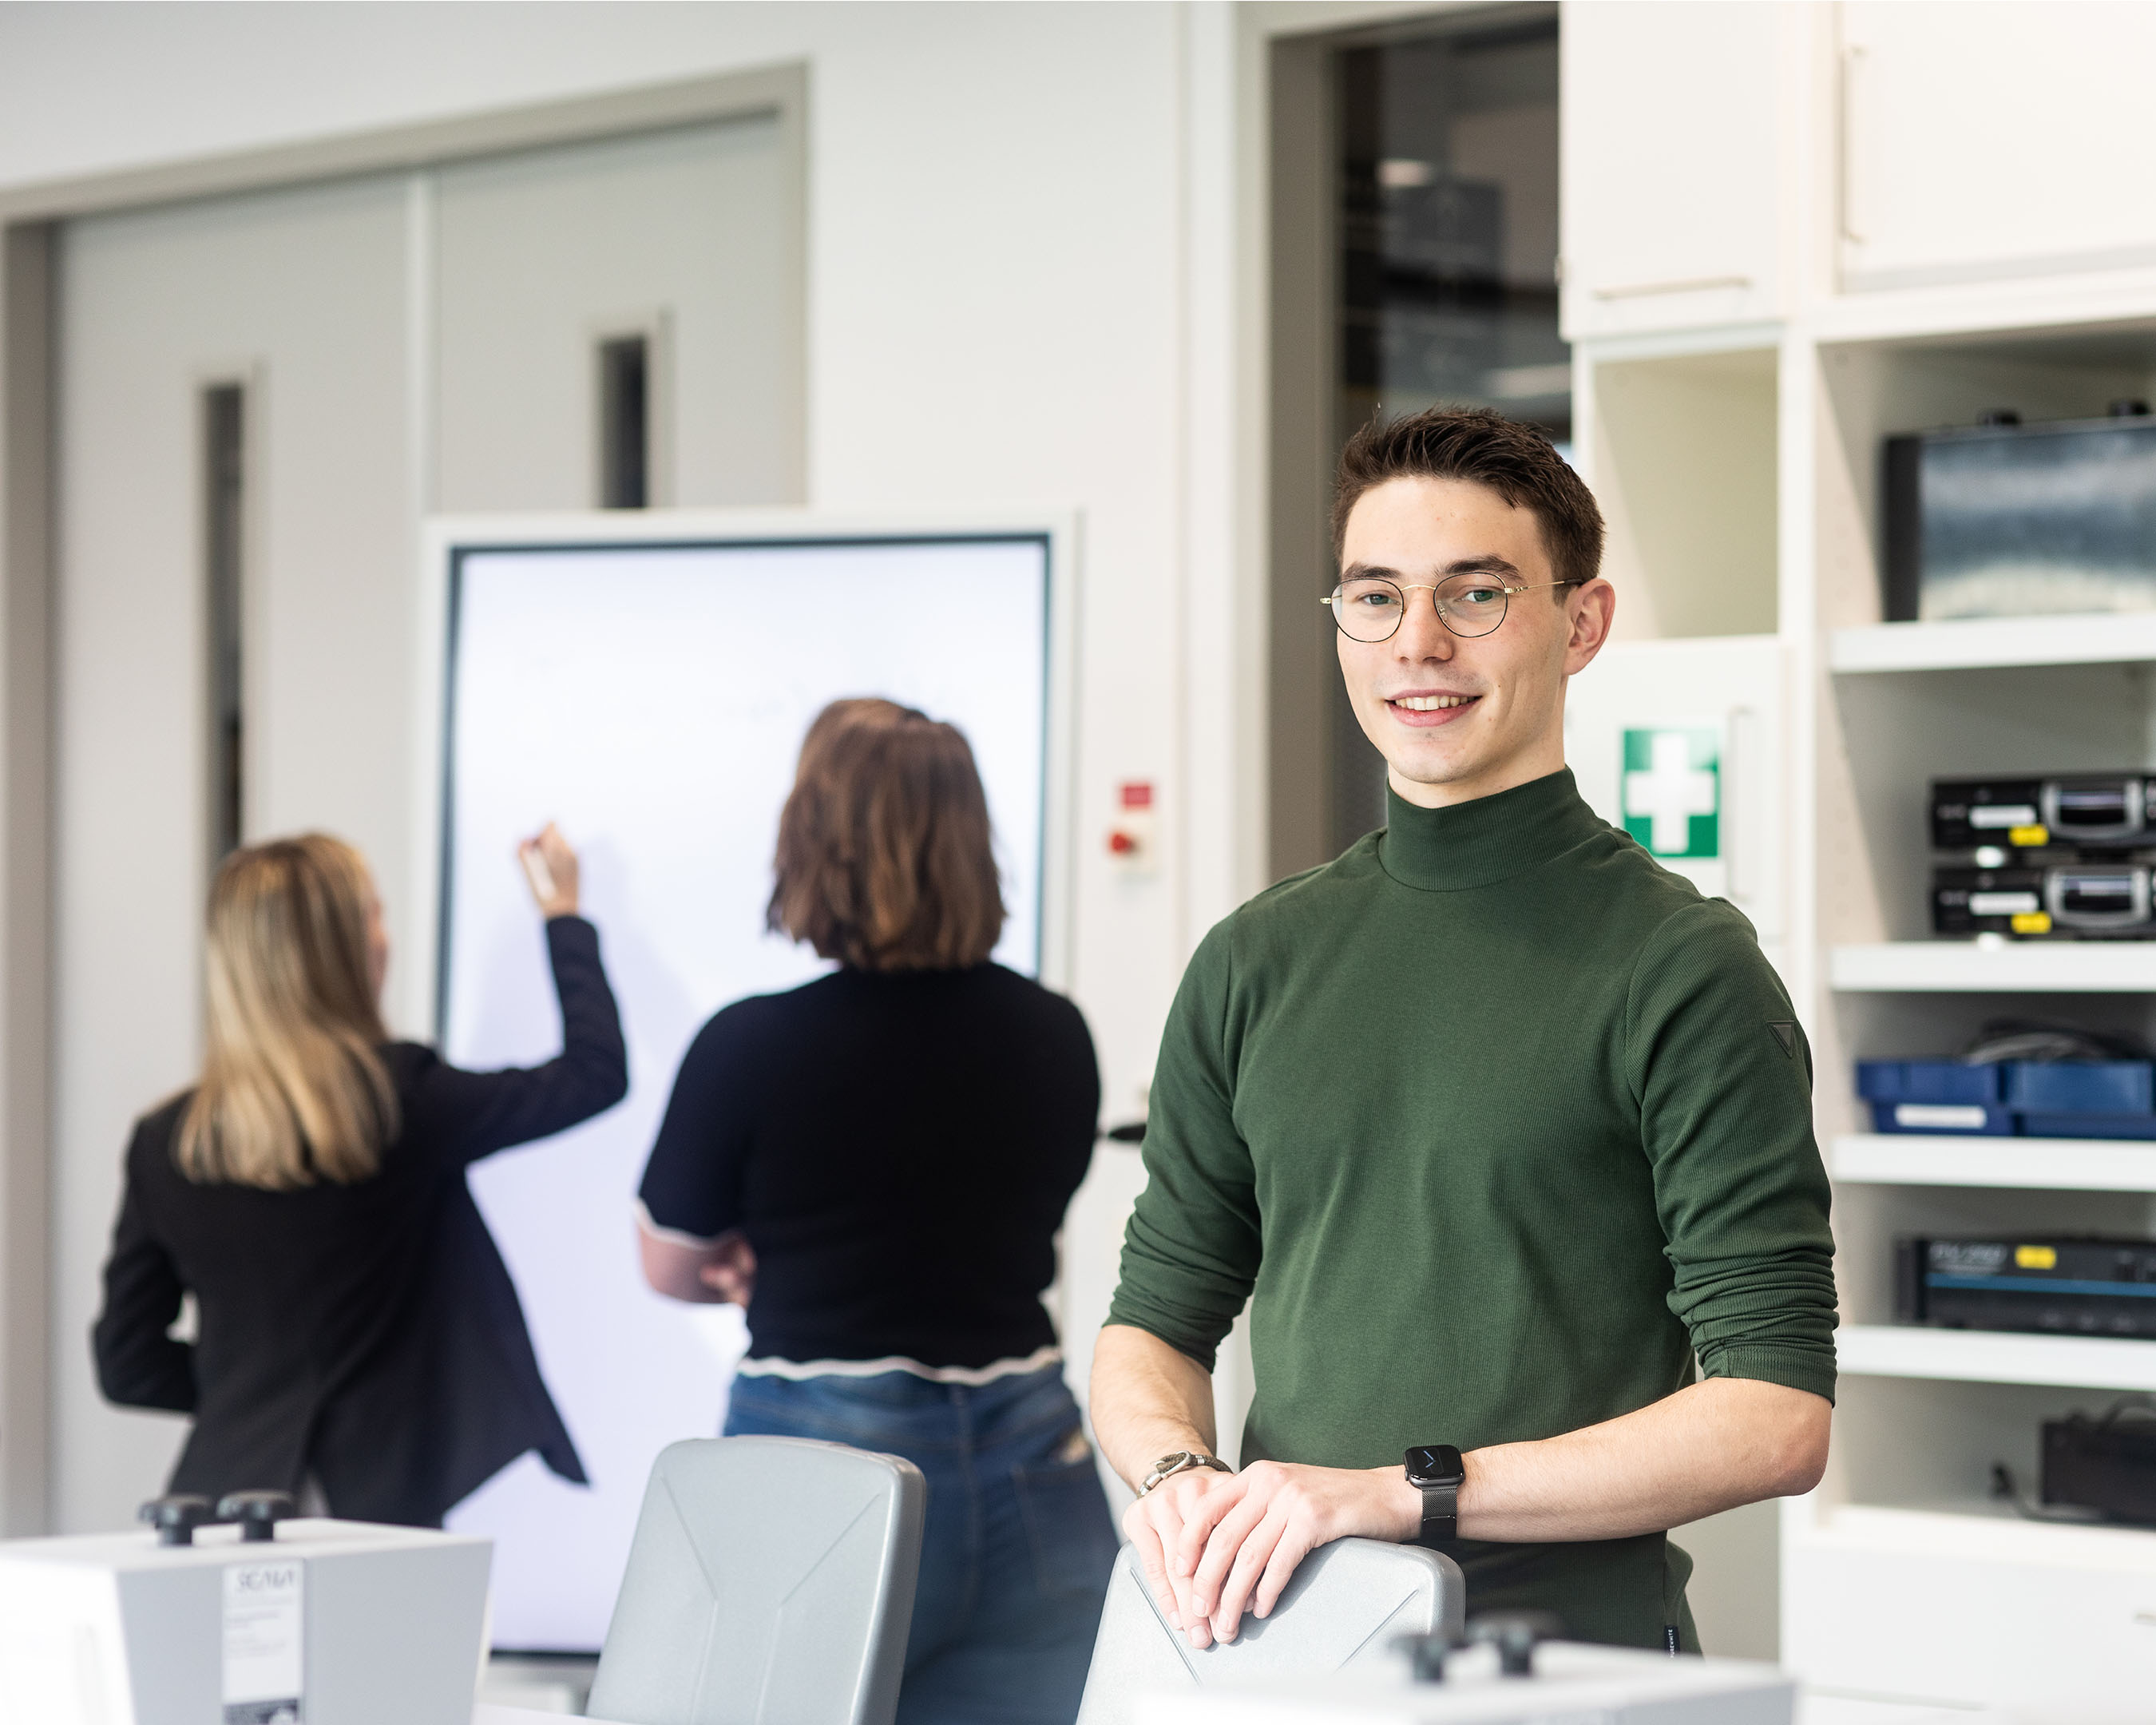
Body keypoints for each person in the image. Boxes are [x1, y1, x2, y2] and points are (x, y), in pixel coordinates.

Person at [1093, 406, 1837, 1654]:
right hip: (1297, 1657)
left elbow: (1775, 1413)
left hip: (1566, 1671)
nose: (1418, 644)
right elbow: (1153, 1327)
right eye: (1374, 597)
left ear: (1581, 622)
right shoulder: (1255, 961)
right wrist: (1183, 1484)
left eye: (1476, 595)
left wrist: (1402, 1493)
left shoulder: (1682, 969)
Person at [637, 698, 1116, 1725]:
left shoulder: (750, 1048)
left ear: (812, 842)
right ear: (969, 844)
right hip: (1032, 1457)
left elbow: (671, 1261)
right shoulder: (1053, 1033)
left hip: (815, 1465)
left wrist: (743, 1258)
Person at [93, 824, 626, 1526]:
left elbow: (127, 1363)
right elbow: (593, 1074)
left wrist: (250, 1390)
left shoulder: (168, 1142)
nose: (385, 935)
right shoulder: (401, 1101)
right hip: (377, 1510)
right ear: (344, 949)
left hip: (225, 1510)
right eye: (373, 913)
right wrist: (563, 916)